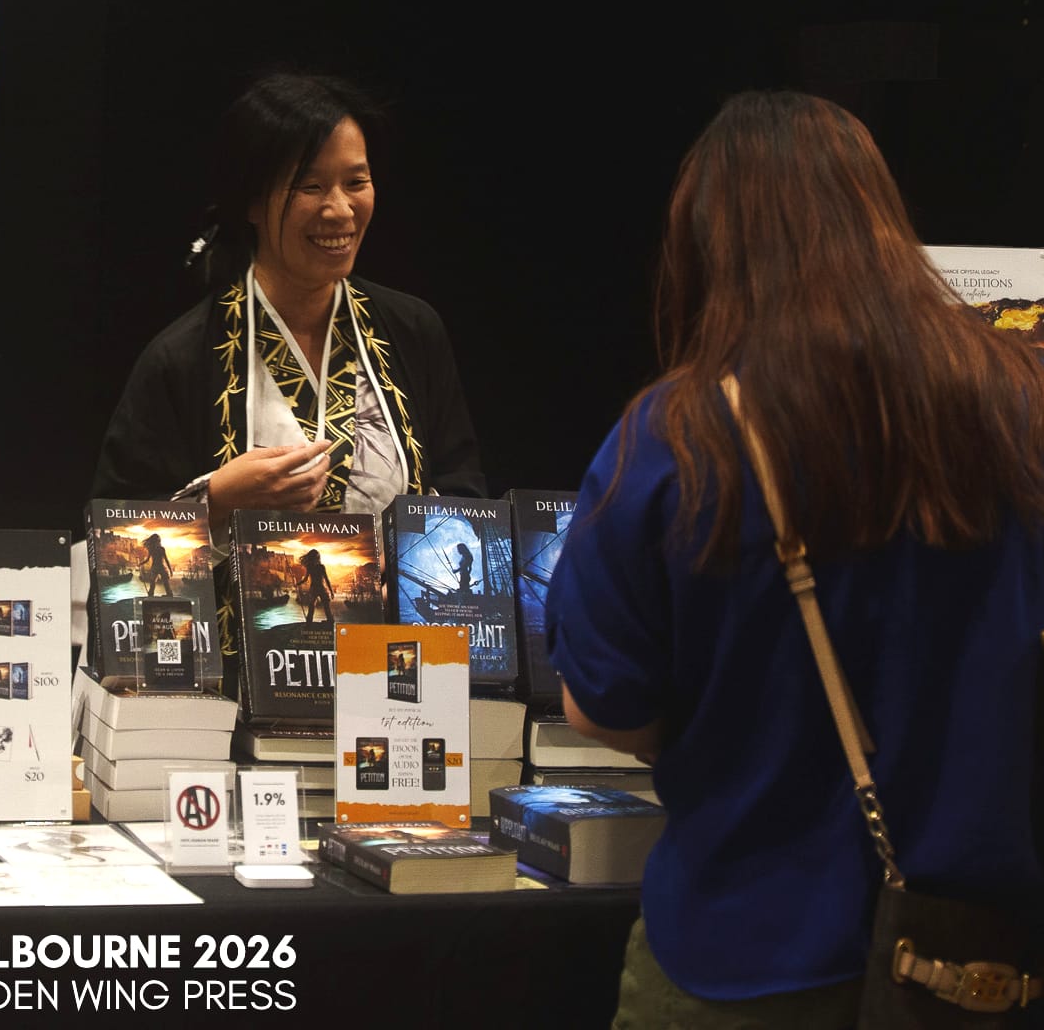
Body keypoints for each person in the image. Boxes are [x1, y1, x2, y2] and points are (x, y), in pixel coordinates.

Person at [545, 91, 1044, 1026]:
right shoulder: (1020, 407)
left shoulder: (673, 438)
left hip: (740, 952)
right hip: (974, 968)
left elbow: (599, 703)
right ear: (882, 217)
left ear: (704, 247)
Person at [94, 71, 486, 530]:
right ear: (252, 202)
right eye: (311, 186)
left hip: (391, 602)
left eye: (356, 182)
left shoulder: (412, 330)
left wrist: (402, 577)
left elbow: (465, 494)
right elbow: (113, 536)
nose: (340, 210)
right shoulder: (181, 358)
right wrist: (216, 501)